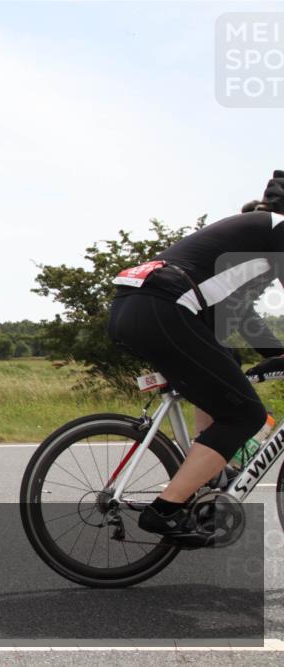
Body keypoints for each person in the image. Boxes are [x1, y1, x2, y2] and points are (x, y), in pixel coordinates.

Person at [108, 170, 284, 545]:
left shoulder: (252, 231)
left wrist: (278, 353)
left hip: (136, 306)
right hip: (163, 308)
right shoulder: (276, 227)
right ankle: (165, 511)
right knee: (246, 414)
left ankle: (208, 476)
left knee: (227, 368)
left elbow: (236, 312)